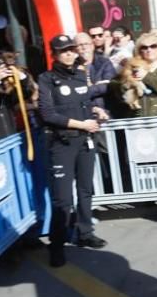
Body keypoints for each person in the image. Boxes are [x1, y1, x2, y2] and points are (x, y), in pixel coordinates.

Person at [37, 34, 108, 267]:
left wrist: (96, 113)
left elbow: (84, 103)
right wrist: (81, 124)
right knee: (63, 200)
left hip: (85, 141)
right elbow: (48, 115)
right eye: (63, 50)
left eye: (71, 49)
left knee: (86, 190)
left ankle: (85, 232)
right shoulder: (46, 79)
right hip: (62, 144)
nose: (68, 53)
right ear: (54, 54)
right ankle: (57, 245)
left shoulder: (80, 75)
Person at [107, 31, 157, 118]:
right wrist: (127, 84)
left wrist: (146, 76)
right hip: (136, 118)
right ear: (139, 51)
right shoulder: (132, 64)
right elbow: (114, 84)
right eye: (144, 47)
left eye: (153, 46)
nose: (149, 50)